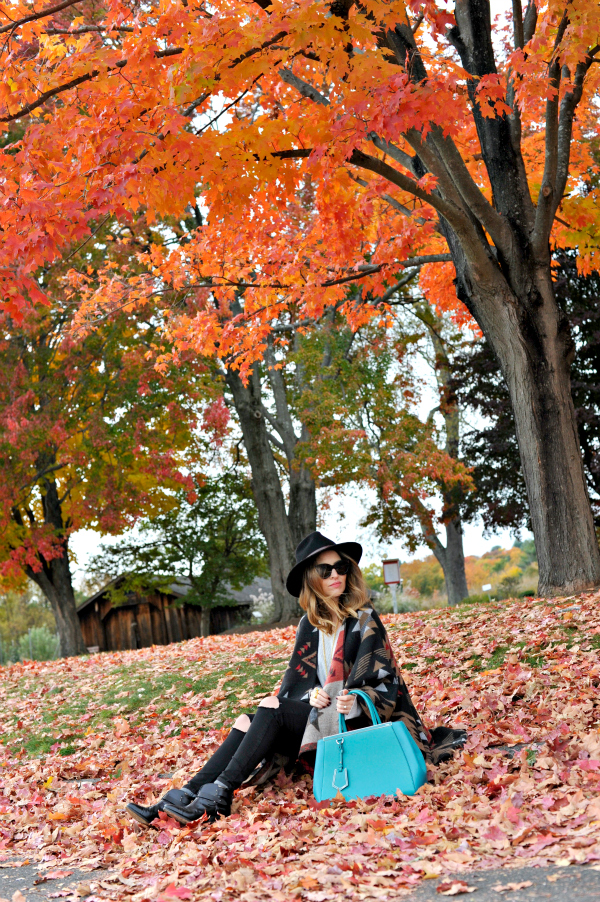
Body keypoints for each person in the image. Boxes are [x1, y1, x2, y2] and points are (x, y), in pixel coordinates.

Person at [126, 531, 465, 828]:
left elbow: (385, 678)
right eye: (325, 570)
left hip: (354, 725)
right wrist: (311, 697)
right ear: (311, 579)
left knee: (270, 708)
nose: (336, 575)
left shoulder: (364, 619)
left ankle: (220, 793)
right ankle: (186, 795)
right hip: (322, 719)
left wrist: (359, 698)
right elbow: (297, 684)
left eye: (341, 567)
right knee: (250, 718)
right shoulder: (309, 625)